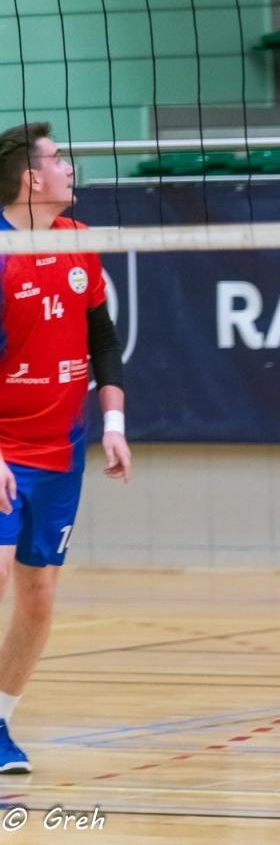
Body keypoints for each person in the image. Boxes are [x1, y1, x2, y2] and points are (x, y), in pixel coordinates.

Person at [0, 122, 130, 772]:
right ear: (31, 177)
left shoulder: (80, 243)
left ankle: (0, 723)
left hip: (61, 448)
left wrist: (113, 423)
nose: (70, 167)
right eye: (58, 158)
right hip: (1, 447)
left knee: (38, 594)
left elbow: (102, 338)